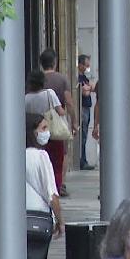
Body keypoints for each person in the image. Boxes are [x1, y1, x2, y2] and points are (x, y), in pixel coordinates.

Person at [24, 113, 65, 259]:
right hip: (38, 219)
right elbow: (52, 194)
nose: (46, 132)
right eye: (43, 127)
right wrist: (61, 220)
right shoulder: (41, 156)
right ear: (32, 131)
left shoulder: (11, 152)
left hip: (14, 221)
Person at [25, 69, 68, 194]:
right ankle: (56, 189)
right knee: (56, 165)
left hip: (34, 136)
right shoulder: (49, 93)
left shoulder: (26, 98)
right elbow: (60, 111)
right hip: (52, 133)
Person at [40, 48, 75, 196]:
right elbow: (69, 101)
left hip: (39, 123)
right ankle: (60, 185)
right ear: (54, 63)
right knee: (62, 153)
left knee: (42, 153)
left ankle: (43, 185)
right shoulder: (62, 79)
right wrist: (74, 120)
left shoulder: (37, 79)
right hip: (57, 124)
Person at [77, 54, 95, 170]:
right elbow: (84, 92)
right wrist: (89, 88)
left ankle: (83, 159)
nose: (88, 66)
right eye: (86, 64)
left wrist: (89, 88)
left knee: (84, 135)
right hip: (82, 108)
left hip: (86, 108)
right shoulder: (79, 77)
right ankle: (82, 161)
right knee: (83, 135)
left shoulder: (84, 77)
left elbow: (90, 88)